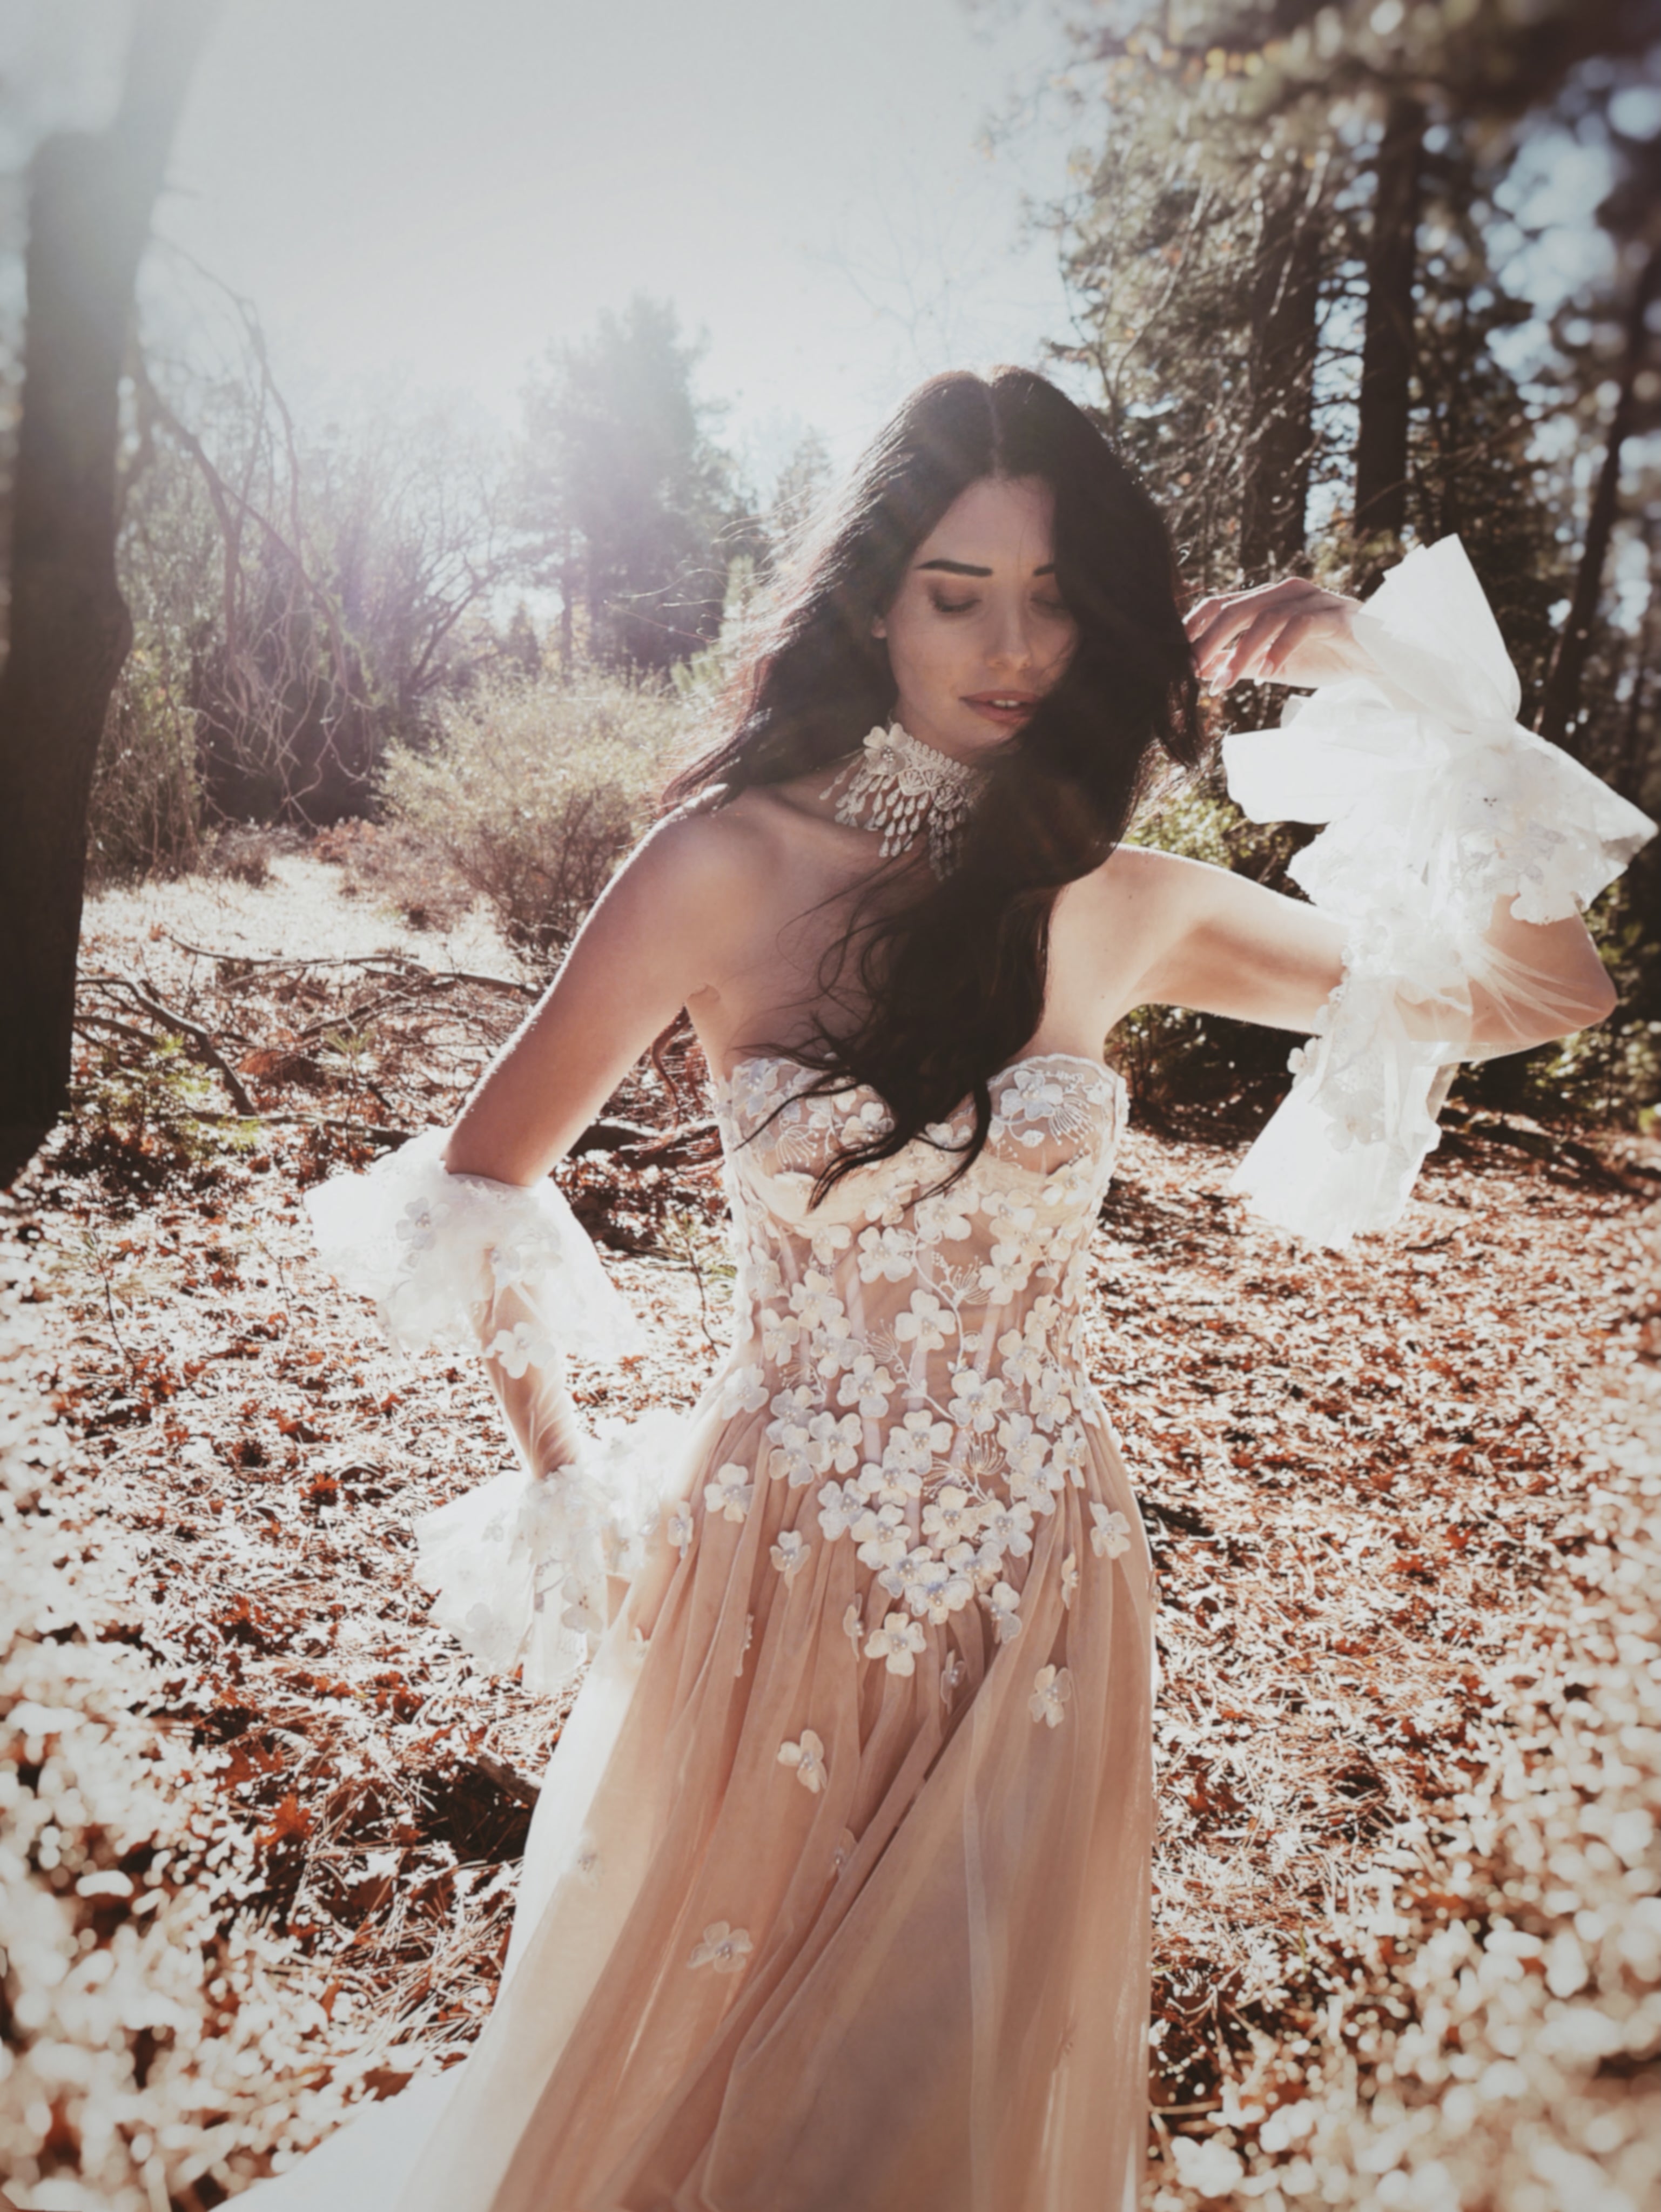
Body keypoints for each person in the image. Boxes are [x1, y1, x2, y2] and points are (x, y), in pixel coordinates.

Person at [270, 368, 1649, 2212]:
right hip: (773, 1564)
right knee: (709, 2086)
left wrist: (1396, 676)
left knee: (933, 2105)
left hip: (1043, 1578)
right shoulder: (723, 863)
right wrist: (560, 1477)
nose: (1010, 647)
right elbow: (476, 1185)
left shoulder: (1125, 901)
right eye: (956, 590)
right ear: (871, 604)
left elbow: (1538, 996)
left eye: (1054, 596)